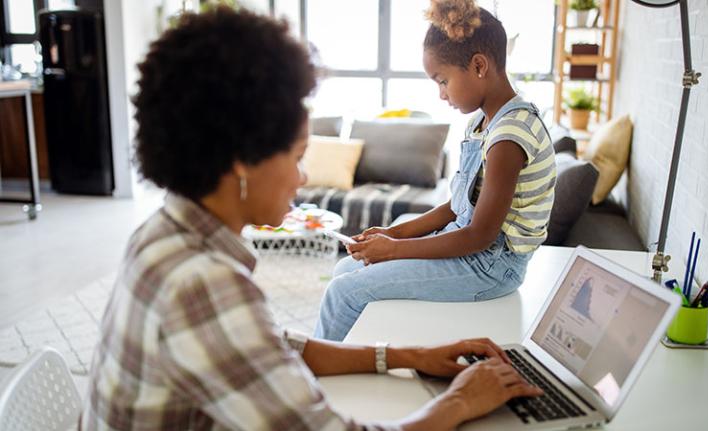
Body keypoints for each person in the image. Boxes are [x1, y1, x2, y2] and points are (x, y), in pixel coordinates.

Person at [81, 7, 541, 431]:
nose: (303, 178)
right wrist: (459, 402)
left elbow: (268, 346)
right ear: (243, 159)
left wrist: (411, 355)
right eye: (299, 156)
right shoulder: (202, 284)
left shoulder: (161, 236)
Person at [314, 0, 556, 342]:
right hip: (473, 250)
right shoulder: (483, 123)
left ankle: (318, 377)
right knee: (345, 268)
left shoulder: (509, 137)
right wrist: (394, 234)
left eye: (443, 81)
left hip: (491, 267)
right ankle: (354, 358)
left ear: (479, 66)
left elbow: (479, 237)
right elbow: (457, 208)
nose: (441, 94)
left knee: (344, 292)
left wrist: (395, 250)